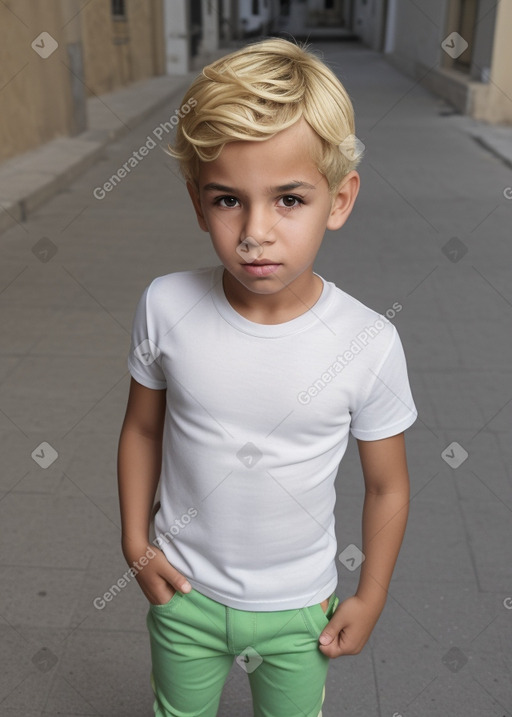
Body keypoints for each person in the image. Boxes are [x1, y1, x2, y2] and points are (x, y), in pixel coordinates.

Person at [117, 37, 417, 717]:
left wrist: (370, 593)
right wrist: (136, 541)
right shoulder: (166, 305)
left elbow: (387, 483)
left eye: (288, 198)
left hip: (300, 612)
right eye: (228, 200)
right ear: (198, 204)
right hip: (184, 594)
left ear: (338, 200)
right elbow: (141, 427)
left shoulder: (367, 340)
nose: (256, 232)